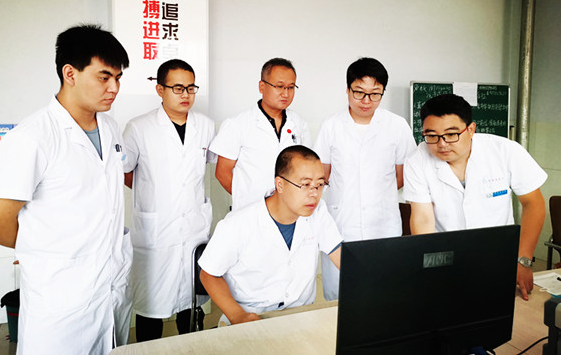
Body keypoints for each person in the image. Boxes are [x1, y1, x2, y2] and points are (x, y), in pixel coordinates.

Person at [0, 25, 133, 354]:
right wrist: (43, 249)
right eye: (104, 77)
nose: (114, 88)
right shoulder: (32, 138)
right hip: (61, 297)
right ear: (70, 73)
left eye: (118, 78)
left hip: (110, 286)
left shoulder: (110, 128)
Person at [404, 93, 547, 301]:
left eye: (451, 134)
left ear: (471, 129)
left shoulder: (504, 151)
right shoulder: (417, 161)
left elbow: (533, 203)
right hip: (447, 257)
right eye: (432, 135)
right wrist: (432, 267)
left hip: (499, 257)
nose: (442, 144)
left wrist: (522, 260)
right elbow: (423, 219)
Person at [123, 59, 216, 341]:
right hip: (156, 230)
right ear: (160, 89)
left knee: (192, 302)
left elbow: (210, 164)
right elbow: (125, 172)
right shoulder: (138, 127)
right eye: (177, 88)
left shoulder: (205, 125)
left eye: (190, 87)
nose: (185, 94)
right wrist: (155, 193)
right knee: (151, 305)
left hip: (193, 226)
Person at [198, 145, 342, 325]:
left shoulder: (318, 213)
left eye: (320, 185)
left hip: (301, 314)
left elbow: (341, 256)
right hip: (250, 315)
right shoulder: (238, 224)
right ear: (280, 184)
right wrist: (237, 315)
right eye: (305, 184)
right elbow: (208, 274)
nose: (314, 194)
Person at [314, 57, 416, 300]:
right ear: (347, 89)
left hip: (384, 223)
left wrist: (373, 192)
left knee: (384, 294)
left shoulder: (397, 125)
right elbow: (322, 174)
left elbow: (403, 175)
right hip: (342, 223)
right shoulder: (331, 125)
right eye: (359, 92)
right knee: (341, 296)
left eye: (375, 94)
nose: (366, 101)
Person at [210, 58, 311, 210]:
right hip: (250, 210)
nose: (286, 93)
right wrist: (245, 199)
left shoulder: (299, 124)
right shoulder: (237, 124)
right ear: (262, 86)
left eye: (291, 87)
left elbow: (305, 168)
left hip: (289, 210)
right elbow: (222, 173)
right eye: (279, 86)